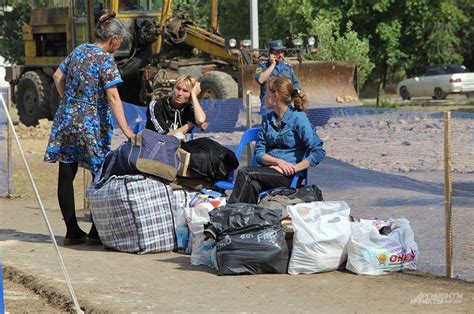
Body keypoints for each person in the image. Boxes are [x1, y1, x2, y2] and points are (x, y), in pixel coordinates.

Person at [44, 12, 134, 246]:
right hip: (92, 123)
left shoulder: (79, 50)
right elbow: (113, 96)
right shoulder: (105, 59)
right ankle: (96, 232)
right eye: (120, 41)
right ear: (112, 39)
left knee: (67, 171)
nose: (119, 45)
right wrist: (126, 129)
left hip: (67, 119)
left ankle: (72, 231)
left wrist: (70, 103)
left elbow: (57, 76)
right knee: (100, 173)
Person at [228, 76, 325, 204]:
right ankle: (248, 219)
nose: (264, 97)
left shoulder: (298, 119)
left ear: (276, 96)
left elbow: (318, 152)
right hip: (270, 170)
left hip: (288, 175)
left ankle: (229, 214)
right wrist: (279, 162)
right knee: (252, 184)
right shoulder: (268, 119)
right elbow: (259, 154)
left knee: (246, 173)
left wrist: (294, 168)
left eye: (267, 93)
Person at [255, 40, 301, 116]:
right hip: (269, 106)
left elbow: (296, 85)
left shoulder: (288, 67)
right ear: (270, 53)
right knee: (270, 127)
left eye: (282, 51)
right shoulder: (263, 66)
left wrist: (294, 92)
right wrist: (272, 65)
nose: (280, 54)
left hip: (285, 106)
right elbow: (260, 80)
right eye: (277, 52)